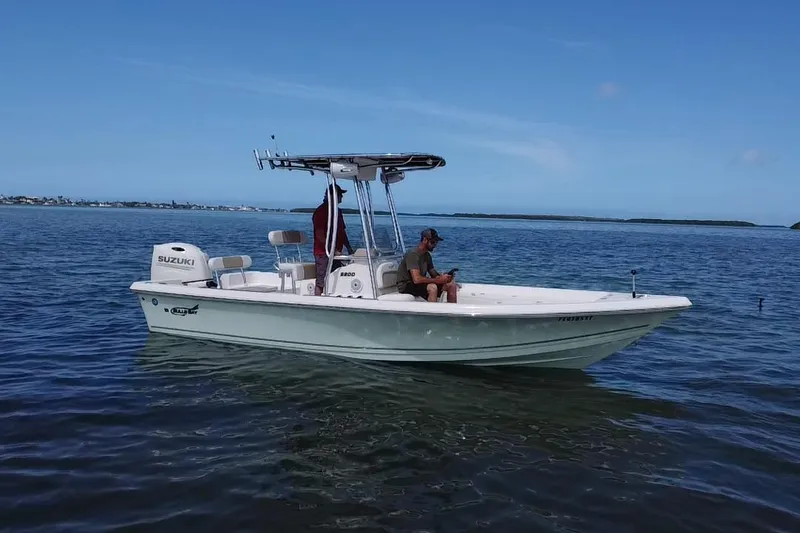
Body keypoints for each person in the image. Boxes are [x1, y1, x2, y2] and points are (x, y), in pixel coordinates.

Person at [312, 183, 354, 295]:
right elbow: (320, 235)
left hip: (336, 253)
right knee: (322, 281)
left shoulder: (338, 211)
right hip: (323, 252)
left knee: (336, 277)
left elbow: (342, 232)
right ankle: (317, 301)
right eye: (340, 194)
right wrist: (332, 250)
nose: (342, 197)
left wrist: (349, 248)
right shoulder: (321, 212)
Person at [395, 228, 457, 303]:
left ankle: (451, 311)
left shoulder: (427, 255)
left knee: (451, 285)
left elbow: (433, 273)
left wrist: (445, 277)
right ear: (425, 240)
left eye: (436, 242)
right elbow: (416, 279)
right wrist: (438, 280)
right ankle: (432, 312)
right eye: (433, 242)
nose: (435, 245)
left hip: (418, 284)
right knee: (432, 287)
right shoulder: (412, 254)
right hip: (406, 285)